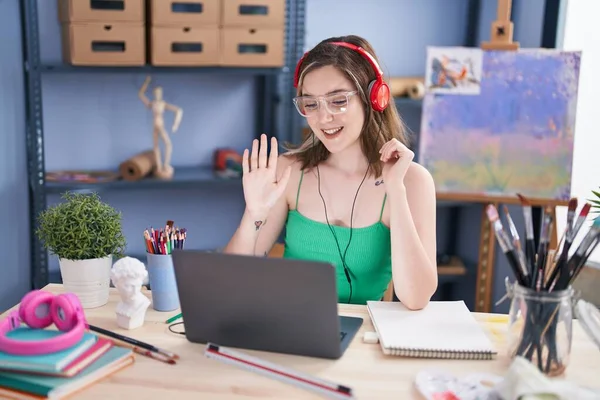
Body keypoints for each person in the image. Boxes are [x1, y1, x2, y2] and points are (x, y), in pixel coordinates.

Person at [223, 35, 437, 309]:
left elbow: (416, 298)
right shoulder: (289, 171)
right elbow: (230, 280)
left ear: (374, 99)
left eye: (338, 101)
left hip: (361, 340)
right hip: (288, 328)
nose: (323, 118)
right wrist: (253, 214)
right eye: (311, 104)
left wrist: (396, 190)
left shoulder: (412, 181)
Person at [110, 257, 151, 329]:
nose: (135, 291)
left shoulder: (142, 303)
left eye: (138, 285)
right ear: (116, 283)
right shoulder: (121, 304)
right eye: (128, 286)